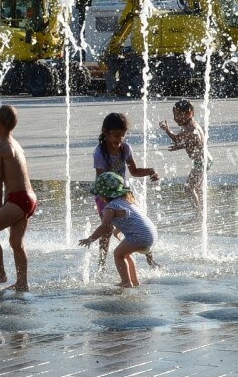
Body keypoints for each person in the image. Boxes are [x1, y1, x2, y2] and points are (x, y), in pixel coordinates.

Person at [0, 105, 36, 292]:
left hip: (19, 199)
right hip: (28, 198)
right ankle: (22, 283)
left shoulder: (0, 148)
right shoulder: (14, 144)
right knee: (16, 243)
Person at [94, 112, 159, 268]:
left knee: (137, 223)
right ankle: (101, 264)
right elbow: (101, 179)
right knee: (106, 228)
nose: (119, 139)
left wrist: (150, 171)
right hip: (105, 196)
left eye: (122, 135)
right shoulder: (100, 153)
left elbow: (134, 171)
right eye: (116, 135)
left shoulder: (126, 148)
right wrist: (109, 200)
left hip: (123, 193)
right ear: (105, 132)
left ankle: (151, 261)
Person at [79, 172, 157, 288]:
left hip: (139, 236)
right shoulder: (126, 201)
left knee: (118, 254)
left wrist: (91, 239)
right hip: (151, 235)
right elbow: (130, 219)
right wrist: (117, 231)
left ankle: (126, 282)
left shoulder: (111, 207)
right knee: (125, 254)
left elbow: (105, 226)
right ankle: (134, 281)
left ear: (104, 194)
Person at [159, 99, 210, 214]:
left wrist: (180, 145)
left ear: (189, 114)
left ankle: (199, 214)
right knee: (197, 187)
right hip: (204, 159)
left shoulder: (191, 128)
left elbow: (194, 137)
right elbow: (180, 139)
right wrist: (178, 142)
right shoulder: (188, 125)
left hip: (201, 161)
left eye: (178, 115)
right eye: (174, 115)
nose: (175, 118)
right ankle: (202, 211)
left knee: (188, 187)